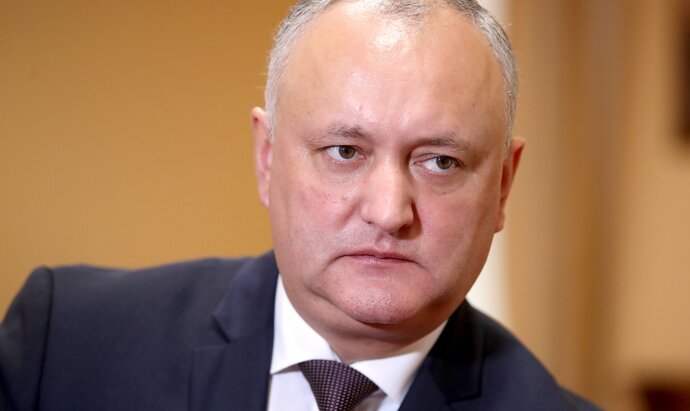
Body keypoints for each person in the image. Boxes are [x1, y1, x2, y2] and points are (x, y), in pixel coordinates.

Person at [0, 1, 601, 410]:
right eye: (345, 151)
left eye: (440, 162)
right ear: (267, 158)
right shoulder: (65, 346)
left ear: (502, 187)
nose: (390, 211)